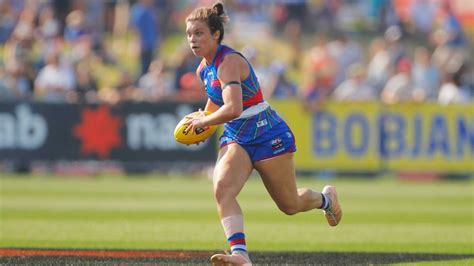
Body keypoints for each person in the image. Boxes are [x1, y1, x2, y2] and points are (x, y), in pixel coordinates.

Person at [183, 3, 342, 265]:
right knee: (222, 188)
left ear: (216, 35)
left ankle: (326, 199)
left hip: (266, 132)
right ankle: (240, 255)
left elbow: (233, 108)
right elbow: (215, 102)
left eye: (199, 33)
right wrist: (206, 122)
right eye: (189, 34)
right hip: (236, 136)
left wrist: (204, 123)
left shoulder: (229, 62)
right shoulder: (203, 68)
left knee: (290, 204)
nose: (193, 39)